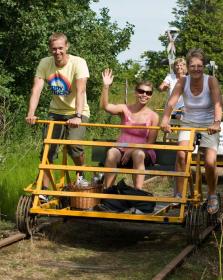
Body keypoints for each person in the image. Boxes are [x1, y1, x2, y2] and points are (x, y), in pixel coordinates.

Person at [25, 32, 90, 199]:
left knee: (74, 146)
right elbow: (36, 89)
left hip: (78, 111)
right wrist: (31, 113)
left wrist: (77, 116)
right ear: (50, 49)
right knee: (48, 151)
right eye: (54, 49)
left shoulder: (78, 63)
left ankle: (81, 176)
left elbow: (81, 90)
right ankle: (45, 191)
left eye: (60, 48)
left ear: (66, 47)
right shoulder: (45, 63)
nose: (57, 52)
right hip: (55, 112)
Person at [160, 48, 222, 215]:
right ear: (187, 66)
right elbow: (171, 103)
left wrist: (216, 122)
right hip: (188, 122)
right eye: (193, 66)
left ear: (204, 67)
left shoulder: (211, 81)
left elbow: (218, 104)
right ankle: (179, 194)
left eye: (199, 66)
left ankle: (211, 194)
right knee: (181, 155)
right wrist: (165, 119)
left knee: (209, 161)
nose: (196, 69)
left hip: (209, 123)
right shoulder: (182, 82)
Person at [100, 68, 159, 190]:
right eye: (141, 91)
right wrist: (106, 86)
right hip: (122, 148)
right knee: (111, 152)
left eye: (148, 93)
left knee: (138, 154)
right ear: (136, 92)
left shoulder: (153, 116)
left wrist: (133, 149)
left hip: (142, 151)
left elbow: (150, 143)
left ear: (151, 96)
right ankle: (108, 190)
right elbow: (105, 107)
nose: (144, 95)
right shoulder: (125, 109)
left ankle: (138, 193)